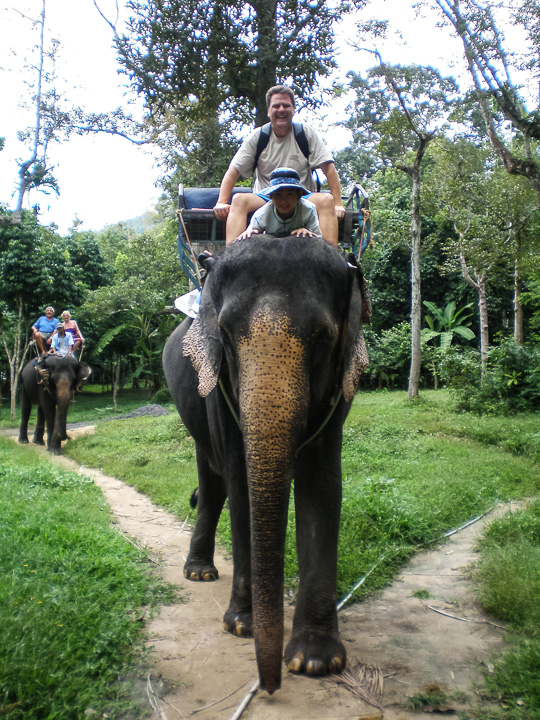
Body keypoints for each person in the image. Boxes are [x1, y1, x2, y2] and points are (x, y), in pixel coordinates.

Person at [213, 85, 345, 246]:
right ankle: (231, 256)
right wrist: (221, 202)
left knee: (326, 199)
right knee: (239, 199)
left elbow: (329, 168)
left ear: (293, 110)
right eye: (276, 106)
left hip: (300, 195)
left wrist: (338, 204)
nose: (281, 109)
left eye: (286, 105)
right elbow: (233, 170)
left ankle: (330, 256)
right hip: (267, 195)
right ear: (269, 111)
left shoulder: (306, 134)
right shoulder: (258, 136)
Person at [237, 167, 321, 240]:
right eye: (278, 195)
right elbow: (250, 233)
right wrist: (250, 235)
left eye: (289, 194)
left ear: (299, 195)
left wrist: (308, 232)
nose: (283, 201)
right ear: (271, 197)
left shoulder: (308, 210)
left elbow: (319, 238)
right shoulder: (261, 215)